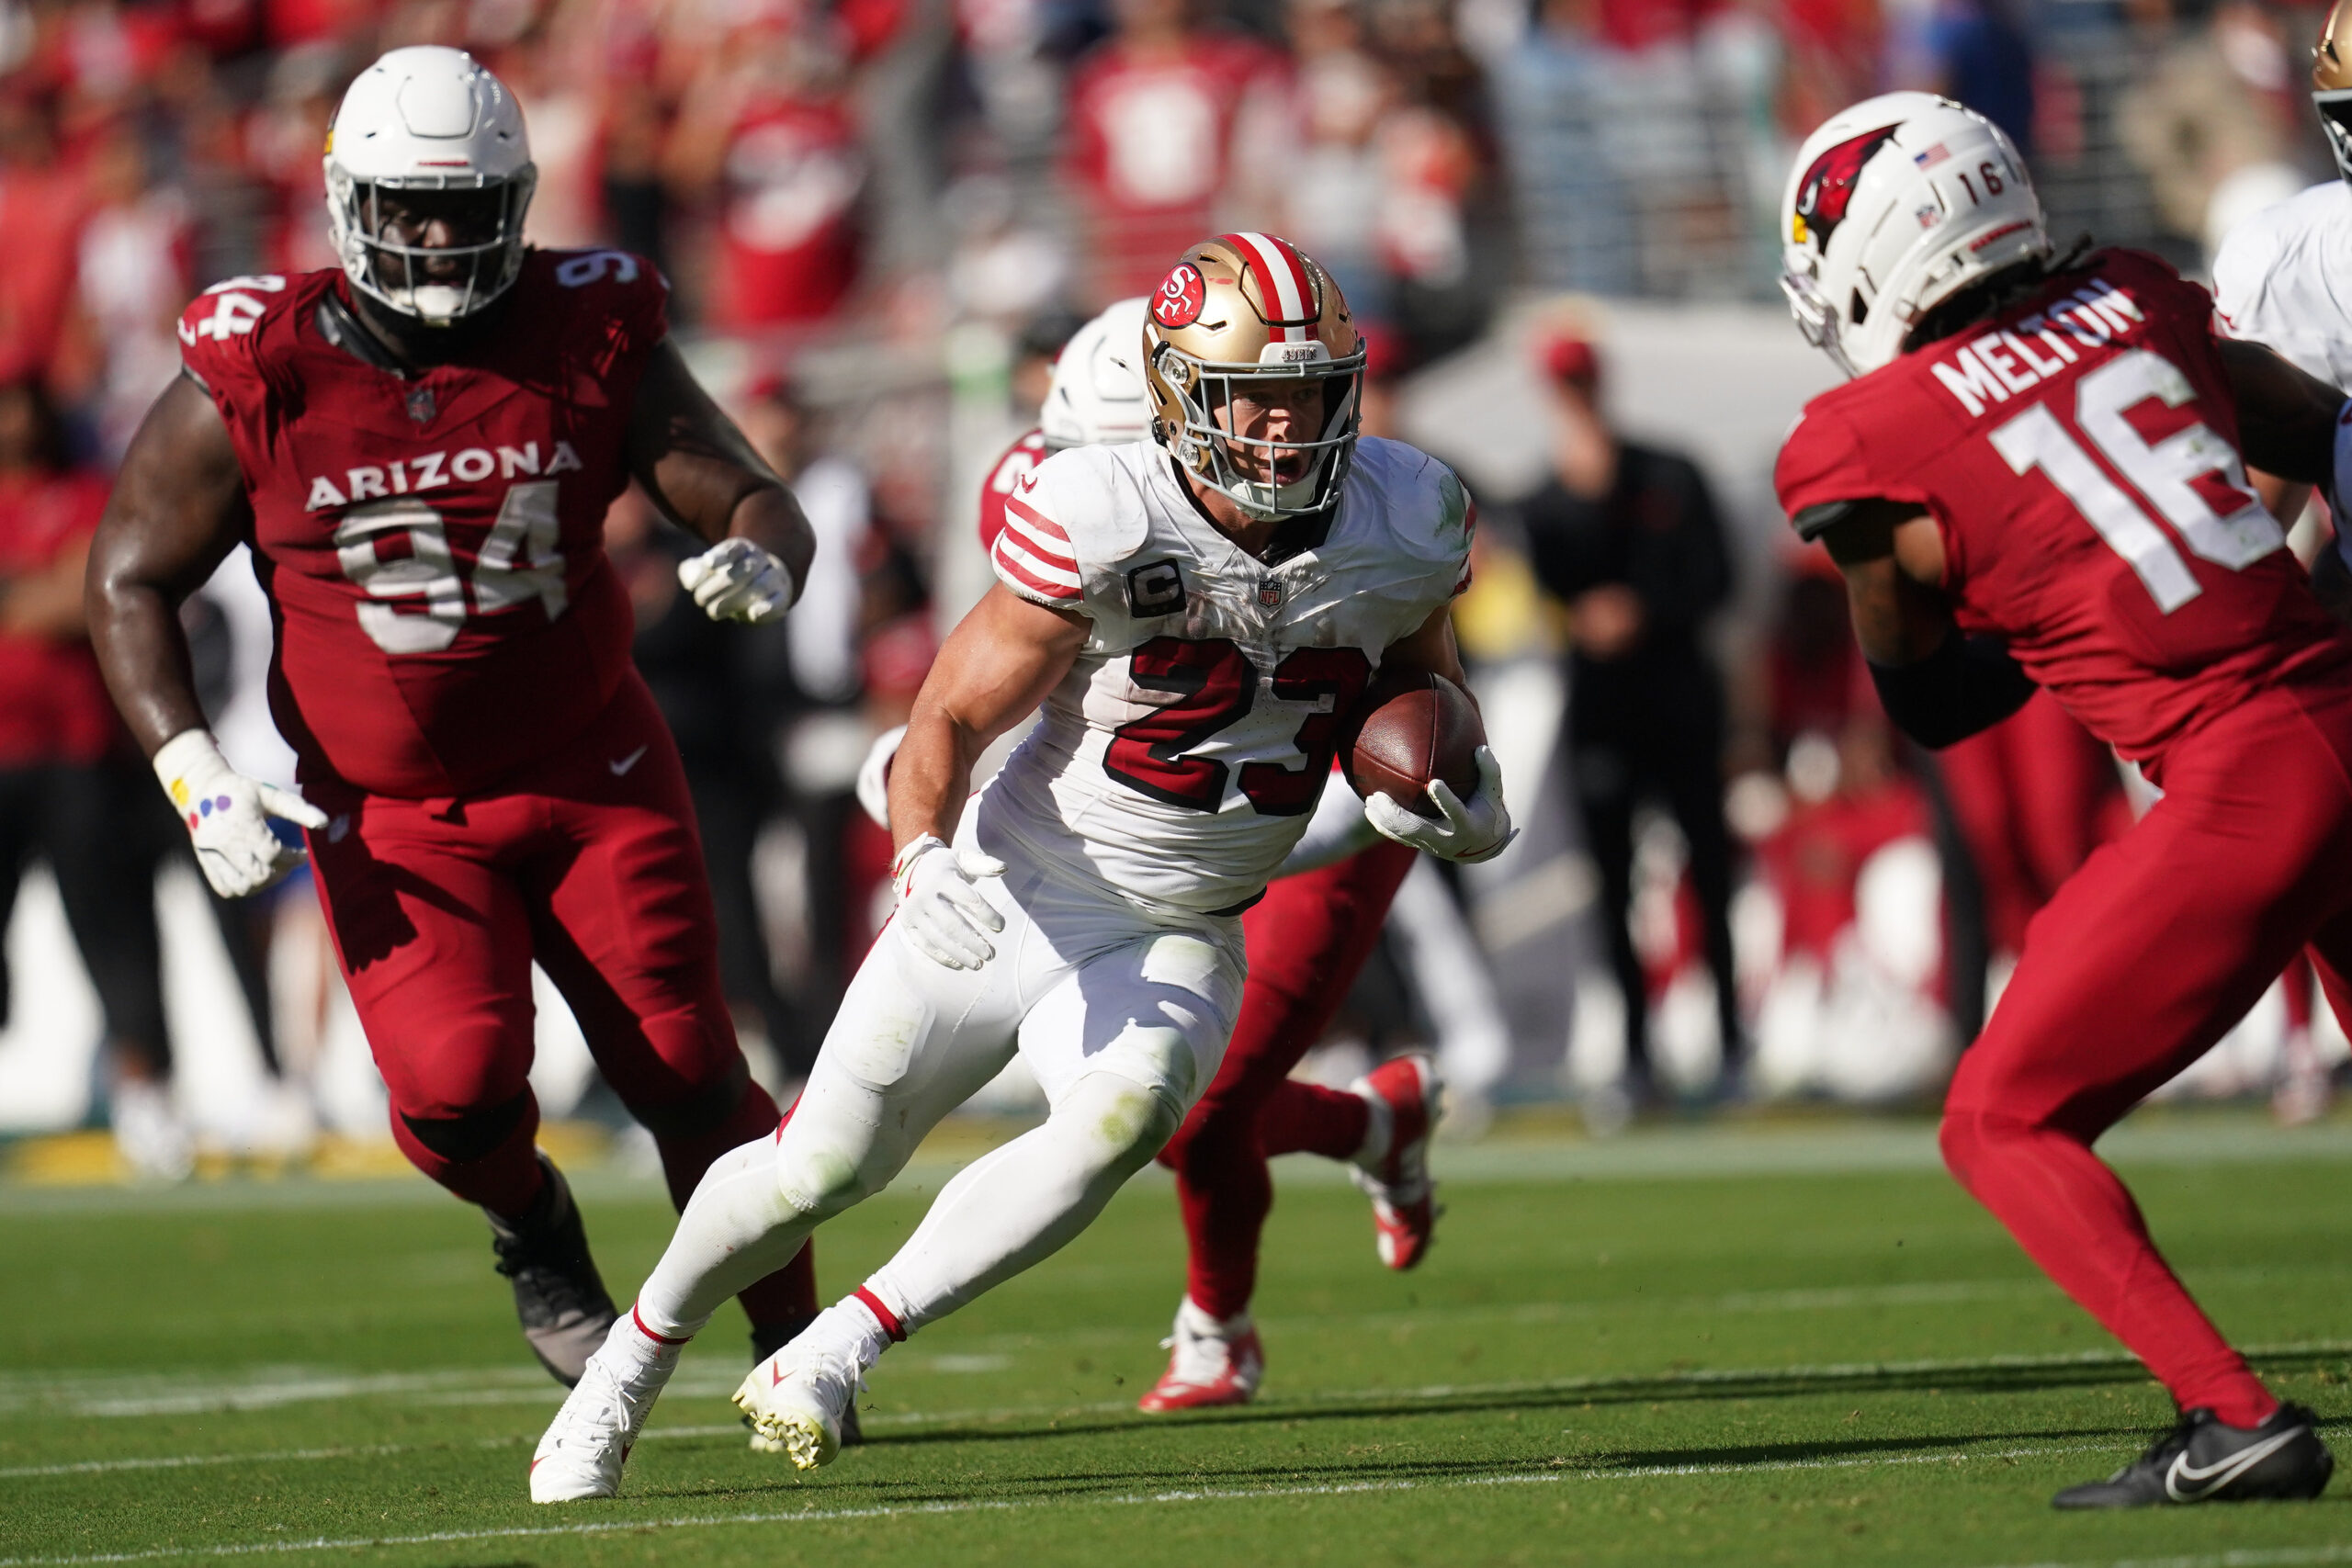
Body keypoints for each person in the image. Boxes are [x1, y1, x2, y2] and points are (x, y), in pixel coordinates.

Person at [529, 231, 1510, 1500]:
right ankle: (626, 1365)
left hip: (1180, 918)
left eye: (1310, 395)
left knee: (1122, 1115)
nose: (1281, 427)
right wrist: (922, 849)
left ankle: (840, 1344)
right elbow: (943, 712)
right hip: (1019, 884)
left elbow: (1428, 689)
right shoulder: (1102, 508)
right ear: (1175, 398)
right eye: (1249, 397)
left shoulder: (1407, 511)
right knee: (821, 1164)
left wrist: (1463, 791)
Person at [85, 47, 829, 1399]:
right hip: (393, 808)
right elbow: (128, 574)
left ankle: (798, 1341)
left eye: (465, 205)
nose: (436, 236)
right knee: (450, 1088)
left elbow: (741, 486)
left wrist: (767, 550)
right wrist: (192, 770)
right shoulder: (264, 360)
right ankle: (536, 1224)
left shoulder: (585, 322)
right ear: (345, 200)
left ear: (520, 198)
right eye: (409, 207)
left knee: (684, 1061)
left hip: (592, 767)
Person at [1775, 90, 2351, 1507]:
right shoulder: (2143, 296)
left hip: (2243, 774)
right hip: (2339, 695)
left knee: (1999, 1118)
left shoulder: (1861, 442)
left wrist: (2044, 600)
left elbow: (1935, 700)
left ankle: (2232, 1413)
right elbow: (2314, 420)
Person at [873, 296, 1445, 1414]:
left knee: (1206, 1108)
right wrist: (916, 807)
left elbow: (1424, 682)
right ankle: (1372, 1121)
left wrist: (1412, 791)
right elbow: (992, 705)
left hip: (1313, 814)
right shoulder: (1054, 494)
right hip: (1152, 835)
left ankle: (1216, 1328)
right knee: (1169, 1109)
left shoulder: (1349, 499)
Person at [1516, 326, 1742, 1109]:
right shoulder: (1544, 499)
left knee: (1709, 875)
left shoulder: (1668, 473)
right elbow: (1533, 595)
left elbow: (1718, 578)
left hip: (1678, 702)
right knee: (1612, 886)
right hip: (1604, 714)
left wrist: (1641, 611)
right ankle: (1640, 1057)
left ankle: (1733, 1044)